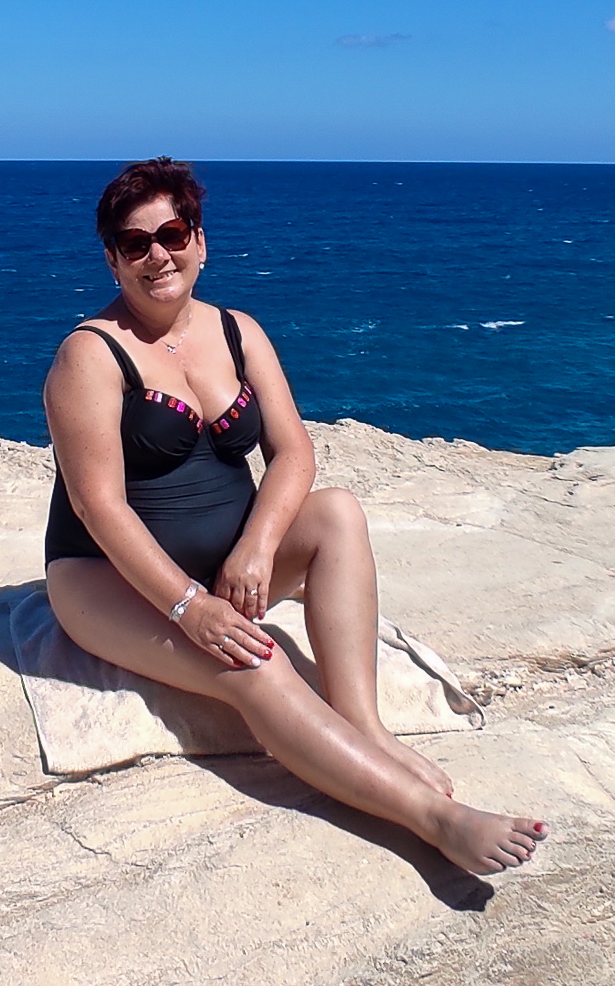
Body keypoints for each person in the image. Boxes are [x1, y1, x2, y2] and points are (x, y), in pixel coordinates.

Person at [42, 158, 546, 875]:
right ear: (113, 259)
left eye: (173, 234)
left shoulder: (238, 331)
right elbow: (98, 506)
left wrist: (257, 544)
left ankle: (364, 728)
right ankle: (434, 820)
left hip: (223, 566)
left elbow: (294, 452)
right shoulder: (89, 354)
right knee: (252, 662)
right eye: (135, 243)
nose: (158, 255)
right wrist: (189, 606)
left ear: (200, 240)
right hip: (109, 580)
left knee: (337, 512)